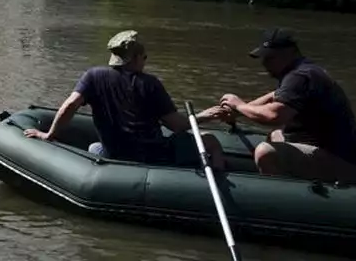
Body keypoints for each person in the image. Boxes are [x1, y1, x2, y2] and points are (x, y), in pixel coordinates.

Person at [25, 30, 227, 169]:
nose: (145, 62)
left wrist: (49, 135)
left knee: (94, 148)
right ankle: (219, 183)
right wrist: (204, 116)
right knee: (211, 141)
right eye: (144, 57)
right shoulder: (150, 83)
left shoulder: (93, 76)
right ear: (137, 57)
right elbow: (177, 125)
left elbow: (70, 105)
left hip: (115, 153)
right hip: (153, 156)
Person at [216, 29, 356, 184]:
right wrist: (238, 111)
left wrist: (240, 106)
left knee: (266, 152)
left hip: (342, 162)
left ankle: (281, 199)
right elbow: (274, 96)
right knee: (276, 135)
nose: (265, 63)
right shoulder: (304, 70)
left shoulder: (300, 76)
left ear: (289, 52)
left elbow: (274, 116)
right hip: (337, 154)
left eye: (270, 58)